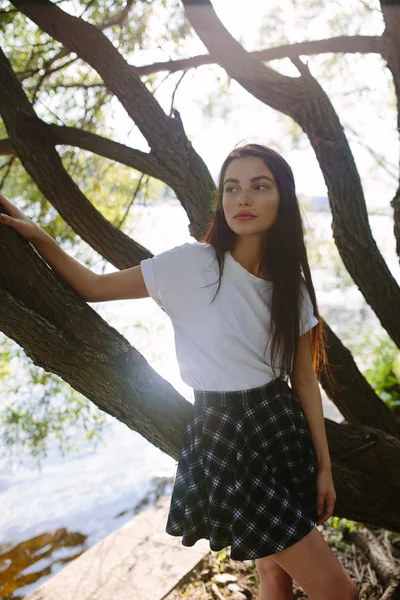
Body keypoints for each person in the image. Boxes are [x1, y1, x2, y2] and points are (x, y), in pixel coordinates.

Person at [0, 143, 358, 600]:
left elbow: (304, 381)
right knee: (340, 592)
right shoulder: (191, 266)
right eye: (232, 188)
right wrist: (40, 237)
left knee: (275, 574)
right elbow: (93, 287)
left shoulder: (293, 290)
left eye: (259, 186)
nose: (242, 199)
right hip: (225, 441)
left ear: (283, 199)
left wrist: (324, 467)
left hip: (282, 430)